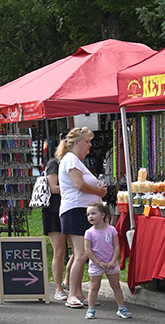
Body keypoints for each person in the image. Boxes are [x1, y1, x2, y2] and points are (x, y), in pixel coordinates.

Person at [57, 127, 107, 309]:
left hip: (78, 210)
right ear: (76, 143)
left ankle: (77, 292)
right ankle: (72, 294)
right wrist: (99, 191)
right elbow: (79, 184)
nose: (90, 146)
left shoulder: (75, 160)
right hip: (76, 211)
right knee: (81, 254)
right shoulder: (71, 159)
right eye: (87, 142)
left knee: (81, 254)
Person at [83, 203, 131, 319]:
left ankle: (121, 307)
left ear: (103, 215)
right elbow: (88, 250)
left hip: (111, 263)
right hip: (96, 264)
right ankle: (91, 308)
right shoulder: (89, 232)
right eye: (88, 214)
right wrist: (98, 262)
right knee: (94, 287)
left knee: (116, 285)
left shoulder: (111, 230)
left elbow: (116, 247)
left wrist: (113, 261)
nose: (90, 216)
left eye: (93, 213)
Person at [43, 142, 73, 302]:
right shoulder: (54, 163)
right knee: (60, 251)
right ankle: (58, 288)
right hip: (54, 210)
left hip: (69, 209)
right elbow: (53, 187)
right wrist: (75, 186)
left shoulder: (76, 163)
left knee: (80, 250)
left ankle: (68, 280)